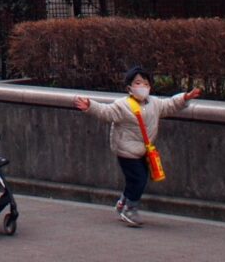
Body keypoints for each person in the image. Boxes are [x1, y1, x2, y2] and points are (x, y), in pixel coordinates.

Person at [74, 65, 202, 228]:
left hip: (143, 150)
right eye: (138, 83)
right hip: (126, 150)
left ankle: (123, 203)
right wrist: (90, 106)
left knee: (135, 179)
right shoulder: (122, 105)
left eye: (146, 84)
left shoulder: (154, 103)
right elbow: (106, 111)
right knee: (139, 179)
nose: (143, 87)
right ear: (129, 87)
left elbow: (170, 105)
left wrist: (185, 97)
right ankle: (130, 209)